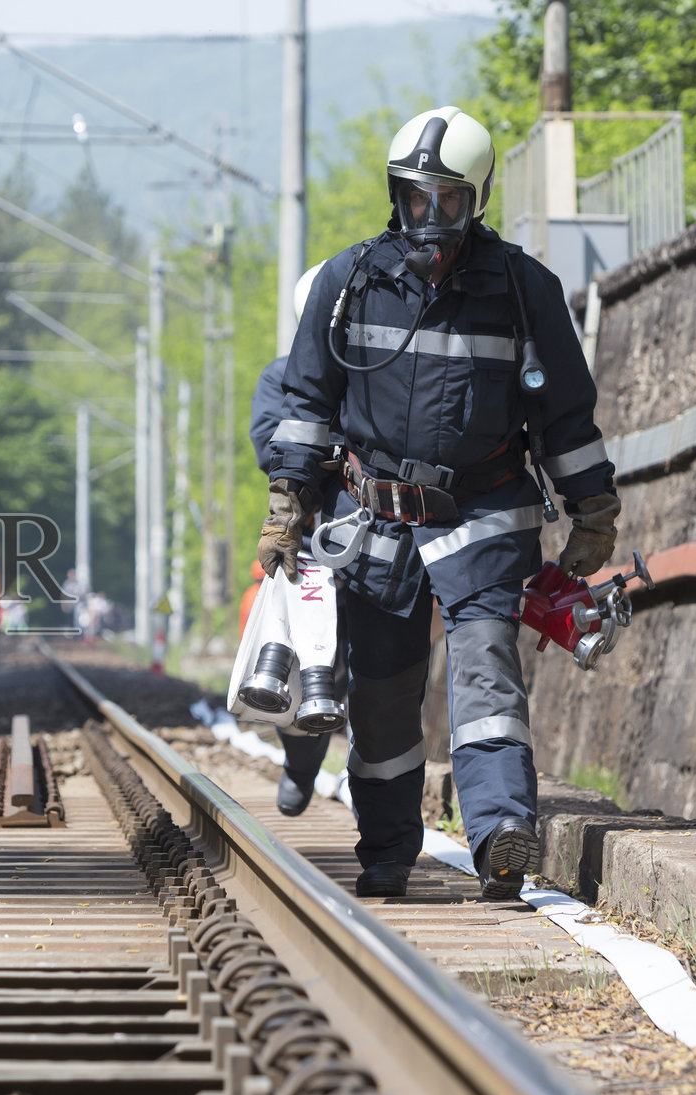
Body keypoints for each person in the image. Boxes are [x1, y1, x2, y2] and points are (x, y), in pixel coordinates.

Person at [261, 107, 619, 900]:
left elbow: (565, 414)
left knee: (487, 668)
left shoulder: (524, 290)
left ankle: (501, 835)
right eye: (415, 197)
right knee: (383, 696)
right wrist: (288, 502)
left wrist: (593, 509)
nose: (428, 217)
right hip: (375, 519)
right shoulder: (344, 282)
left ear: (477, 199)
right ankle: (387, 849)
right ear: (395, 194)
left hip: (483, 514)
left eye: (447, 201)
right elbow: (305, 404)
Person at [248, 262, 343, 818]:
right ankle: (301, 764)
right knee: (301, 657)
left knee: (354, 664)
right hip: (303, 537)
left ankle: (360, 784)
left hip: (370, 532)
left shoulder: (372, 371)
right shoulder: (279, 376)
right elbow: (269, 446)